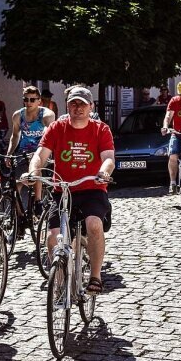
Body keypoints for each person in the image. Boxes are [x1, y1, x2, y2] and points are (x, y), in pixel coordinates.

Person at [26, 86, 115, 295]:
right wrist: (33, 171)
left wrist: (103, 172)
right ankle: (59, 281)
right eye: (74, 103)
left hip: (92, 187)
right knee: (52, 237)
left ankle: (95, 276)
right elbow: (41, 154)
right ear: (68, 105)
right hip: (63, 190)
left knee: (93, 224)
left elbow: (109, 157)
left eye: (82, 104)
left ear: (91, 107)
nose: (78, 108)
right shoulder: (57, 127)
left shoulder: (100, 129)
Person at [7, 85, 55, 208]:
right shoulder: (18, 115)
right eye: (26, 99)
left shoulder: (47, 114)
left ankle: (38, 201)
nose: (28, 102)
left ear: (39, 101)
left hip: (41, 150)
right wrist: (9, 153)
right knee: (17, 183)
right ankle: (18, 214)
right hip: (23, 150)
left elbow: (50, 132)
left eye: (32, 99)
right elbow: (15, 135)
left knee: (35, 170)